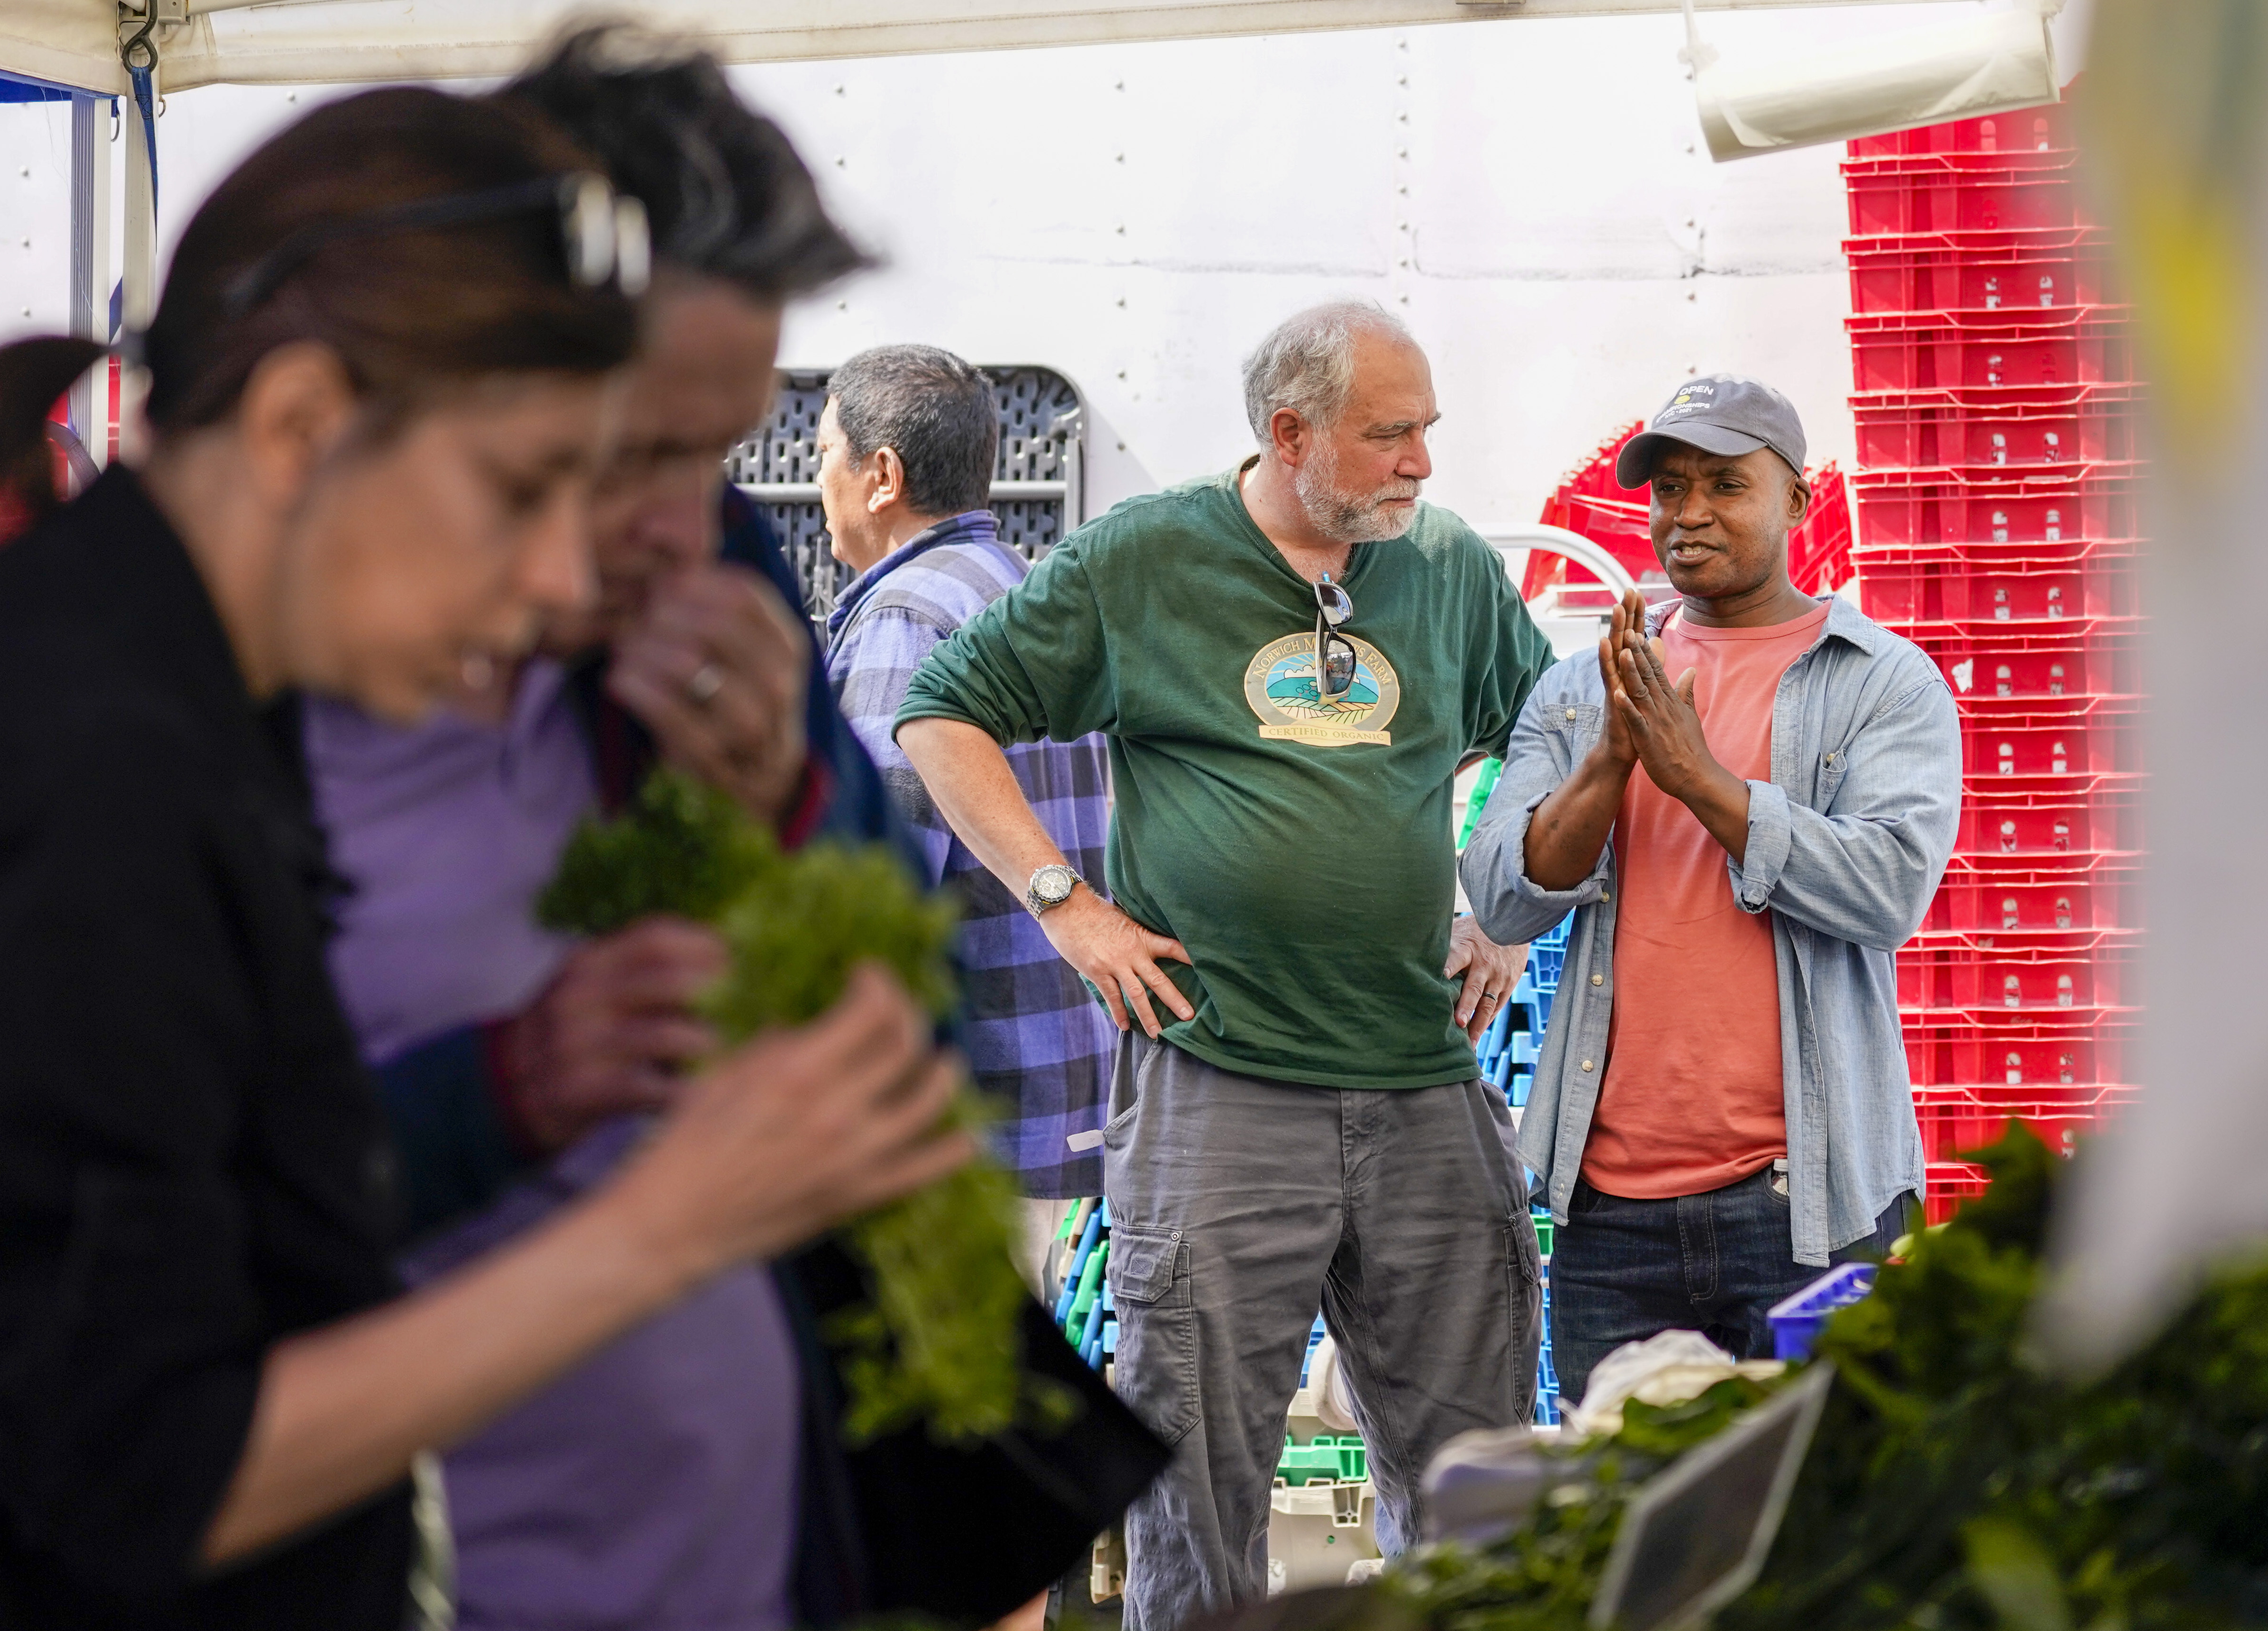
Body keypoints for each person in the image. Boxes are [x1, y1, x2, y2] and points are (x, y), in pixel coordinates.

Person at [0, 88, 970, 1630]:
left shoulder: (150, 699)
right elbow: (137, 1465)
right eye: (526, 490)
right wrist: (670, 1220)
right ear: (301, 427)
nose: (558, 572)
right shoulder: (90, 760)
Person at [307, 35, 1165, 1631]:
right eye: (630, 441)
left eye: (707, 449)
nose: (670, 513)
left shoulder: (744, 584)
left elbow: (839, 914)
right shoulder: (248, 665)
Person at [897, 299, 1554, 1630]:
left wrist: (1503, 907)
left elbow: (1540, 734)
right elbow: (940, 714)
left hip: (1423, 1083)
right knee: (1194, 1488)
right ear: (1289, 432)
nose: (1422, 463)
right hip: (1218, 1089)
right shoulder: (1142, 561)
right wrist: (1063, 902)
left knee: (1476, 1477)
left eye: (1427, 430)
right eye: (1389, 435)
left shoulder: (1445, 568)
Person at [1458, 375, 1961, 1401]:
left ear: (1794, 501)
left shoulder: (1878, 679)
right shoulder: (1582, 682)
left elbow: (1887, 886)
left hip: (1807, 1206)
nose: (1686, 514)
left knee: (1816, 1518)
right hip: (1610, 1213)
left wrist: (1697, 777)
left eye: (1723, 485)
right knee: (1622, 1530)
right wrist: (1606, 760)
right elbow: (1505, 896)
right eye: (1668, 489)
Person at [817, 344, 1115, 1212]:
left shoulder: (905, 618)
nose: (817, 475)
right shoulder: (1018, 587)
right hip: (1058, 1095)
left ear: (882, 475)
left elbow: (877, 888)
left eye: (826, 451)